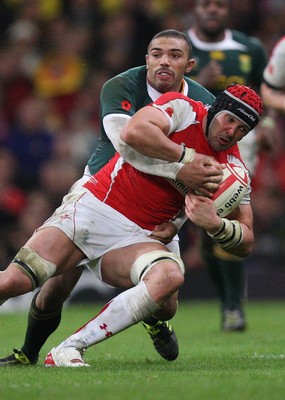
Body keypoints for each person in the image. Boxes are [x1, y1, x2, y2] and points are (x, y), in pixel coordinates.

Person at [0, 29, 221, 366]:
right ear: (146, 59)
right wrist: (183, 165)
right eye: (157, 53)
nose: (164, 61)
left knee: (167, 300)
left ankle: (153, 317)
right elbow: (128, 145)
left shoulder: (205, 105)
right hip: (102, 198)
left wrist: (177, 222)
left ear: (188, 64)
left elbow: (209, 172)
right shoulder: (121, 86)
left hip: (155, 212)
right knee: (52, 284)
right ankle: (28, 353)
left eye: (174, 55)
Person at [42, 84, 263, 367]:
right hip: (103, 203)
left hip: (156, 227)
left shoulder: (233, 170)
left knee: (167, 306)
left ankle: (150, 319)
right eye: (229, 119)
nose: (232, 132)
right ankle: (53, 349)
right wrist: (187, 158)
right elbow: (133, 133)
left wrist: (217, 225)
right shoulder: (181, 110)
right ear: (216, 109)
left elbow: (247, 239)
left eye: (242, 128)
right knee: (26, 279)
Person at [184, 0, 269, 331]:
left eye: (220, 4)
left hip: (240, 143)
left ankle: (233, 307)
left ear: (227, 11)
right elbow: (160, 92)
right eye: (207, 4)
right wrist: (197, 79)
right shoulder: (180, 48)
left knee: (227, 216)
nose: (213, 10)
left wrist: (271, 125)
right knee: (205, 230)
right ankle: (225, 299)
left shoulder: (250, 48)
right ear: (196, 8)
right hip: (191, 137)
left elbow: (267, 91)